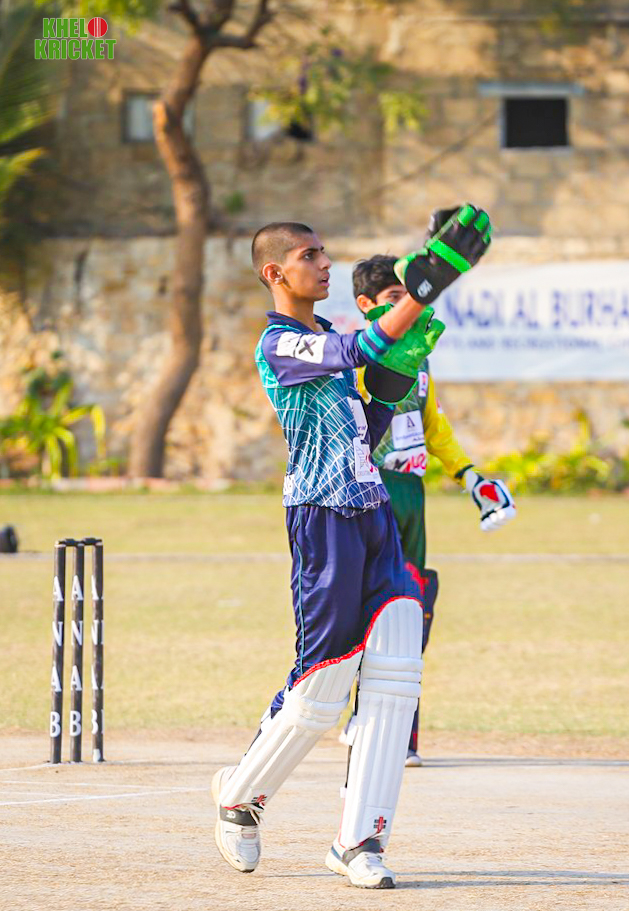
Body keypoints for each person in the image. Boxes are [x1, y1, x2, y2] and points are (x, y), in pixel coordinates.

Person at [211, 205, 492, 889]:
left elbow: (365, 421)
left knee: (396, 670)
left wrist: (397, 377)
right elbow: (354, 352)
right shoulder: (279, 344)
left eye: (324, 252)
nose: (325, 263)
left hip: (372, 510)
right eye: (309, 256)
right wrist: (427, 284)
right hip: (322, 519)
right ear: (275, 273)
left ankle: (359, 840)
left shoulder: (329, 335)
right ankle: (240, 796)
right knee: (322, 686)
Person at [341, 240, 516, 768]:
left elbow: (433, 426)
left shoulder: (419, 357)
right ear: (368, 306)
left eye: (411, 295)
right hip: (372, 490)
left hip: (412, 493)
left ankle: (399, 733)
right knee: (374, 607)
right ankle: (361, 714)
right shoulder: (360, 357)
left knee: (413, 607)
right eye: (396, 298)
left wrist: (470, 477)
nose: (410, 305)